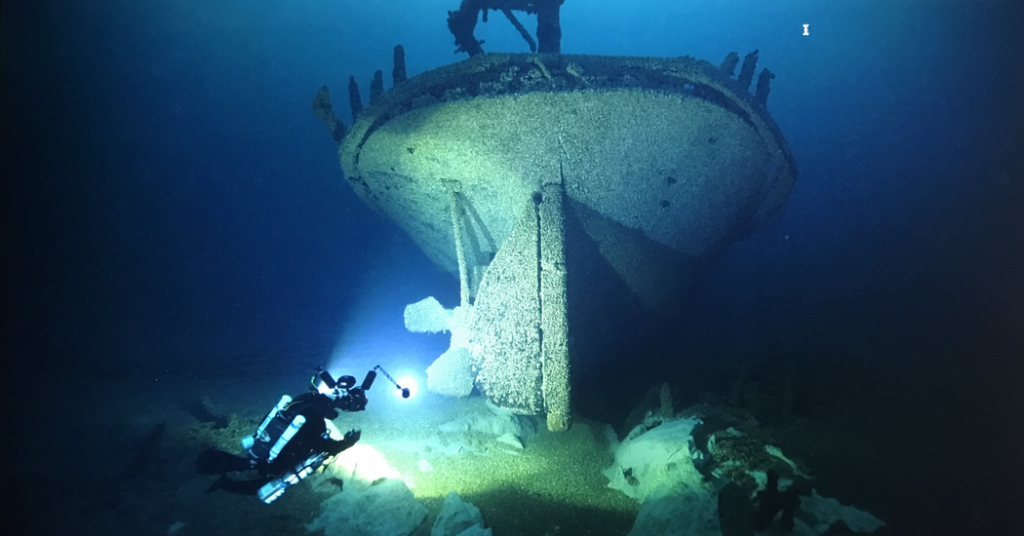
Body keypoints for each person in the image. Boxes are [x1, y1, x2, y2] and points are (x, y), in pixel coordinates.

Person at [196, 367, 372, 503]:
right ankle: (225, 484)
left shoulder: (305, 398)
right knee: (269, 481)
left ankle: (213, 464)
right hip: (281, 457)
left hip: (266, 442)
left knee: (249, 463)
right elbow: (325, 446)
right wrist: (349, 441)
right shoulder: (315, 420)